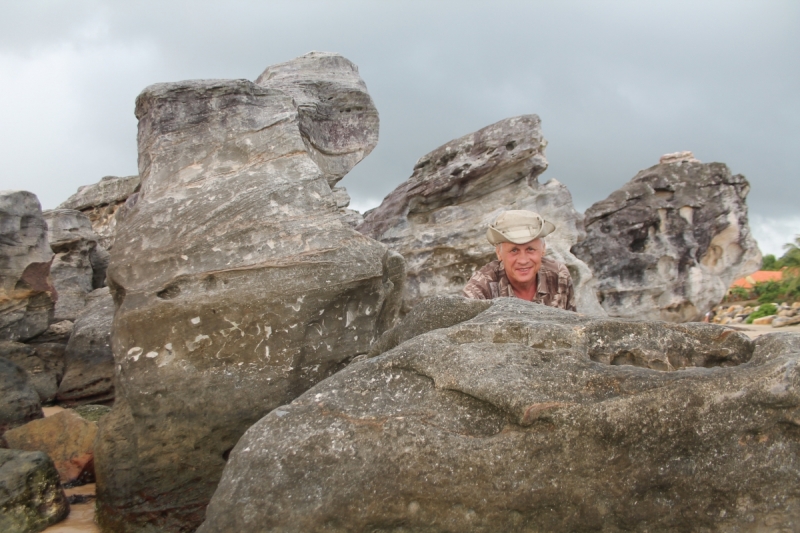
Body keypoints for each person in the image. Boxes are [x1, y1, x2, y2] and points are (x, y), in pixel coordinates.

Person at [463, 210, 577, 311]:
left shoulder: (559, 276)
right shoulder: (480, 288)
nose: (523, 260)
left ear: (543, 249)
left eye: (530, 249)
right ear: (499, 253)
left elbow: (574, 327)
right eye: (514, 250)